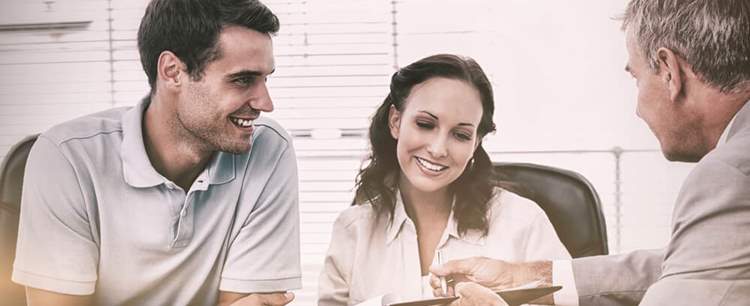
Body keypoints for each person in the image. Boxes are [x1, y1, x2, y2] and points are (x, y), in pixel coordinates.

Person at [430, 0, 750, 305]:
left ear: (669, 71)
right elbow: (693, 263)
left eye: (636, 78)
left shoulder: (731, 175)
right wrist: (523, 277)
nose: (637, 110)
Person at [11, 0, 301, 305]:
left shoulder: (268, 149)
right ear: (173, 71)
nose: (265, 103)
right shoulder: (66, 159)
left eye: (265, 78)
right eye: (242, 80)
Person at [317, 54, 570, 306]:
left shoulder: (524, 223)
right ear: (396, 121)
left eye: (460, 135)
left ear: (476, 143)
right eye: (425, 124)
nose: (438, 149)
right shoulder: (352, 232)